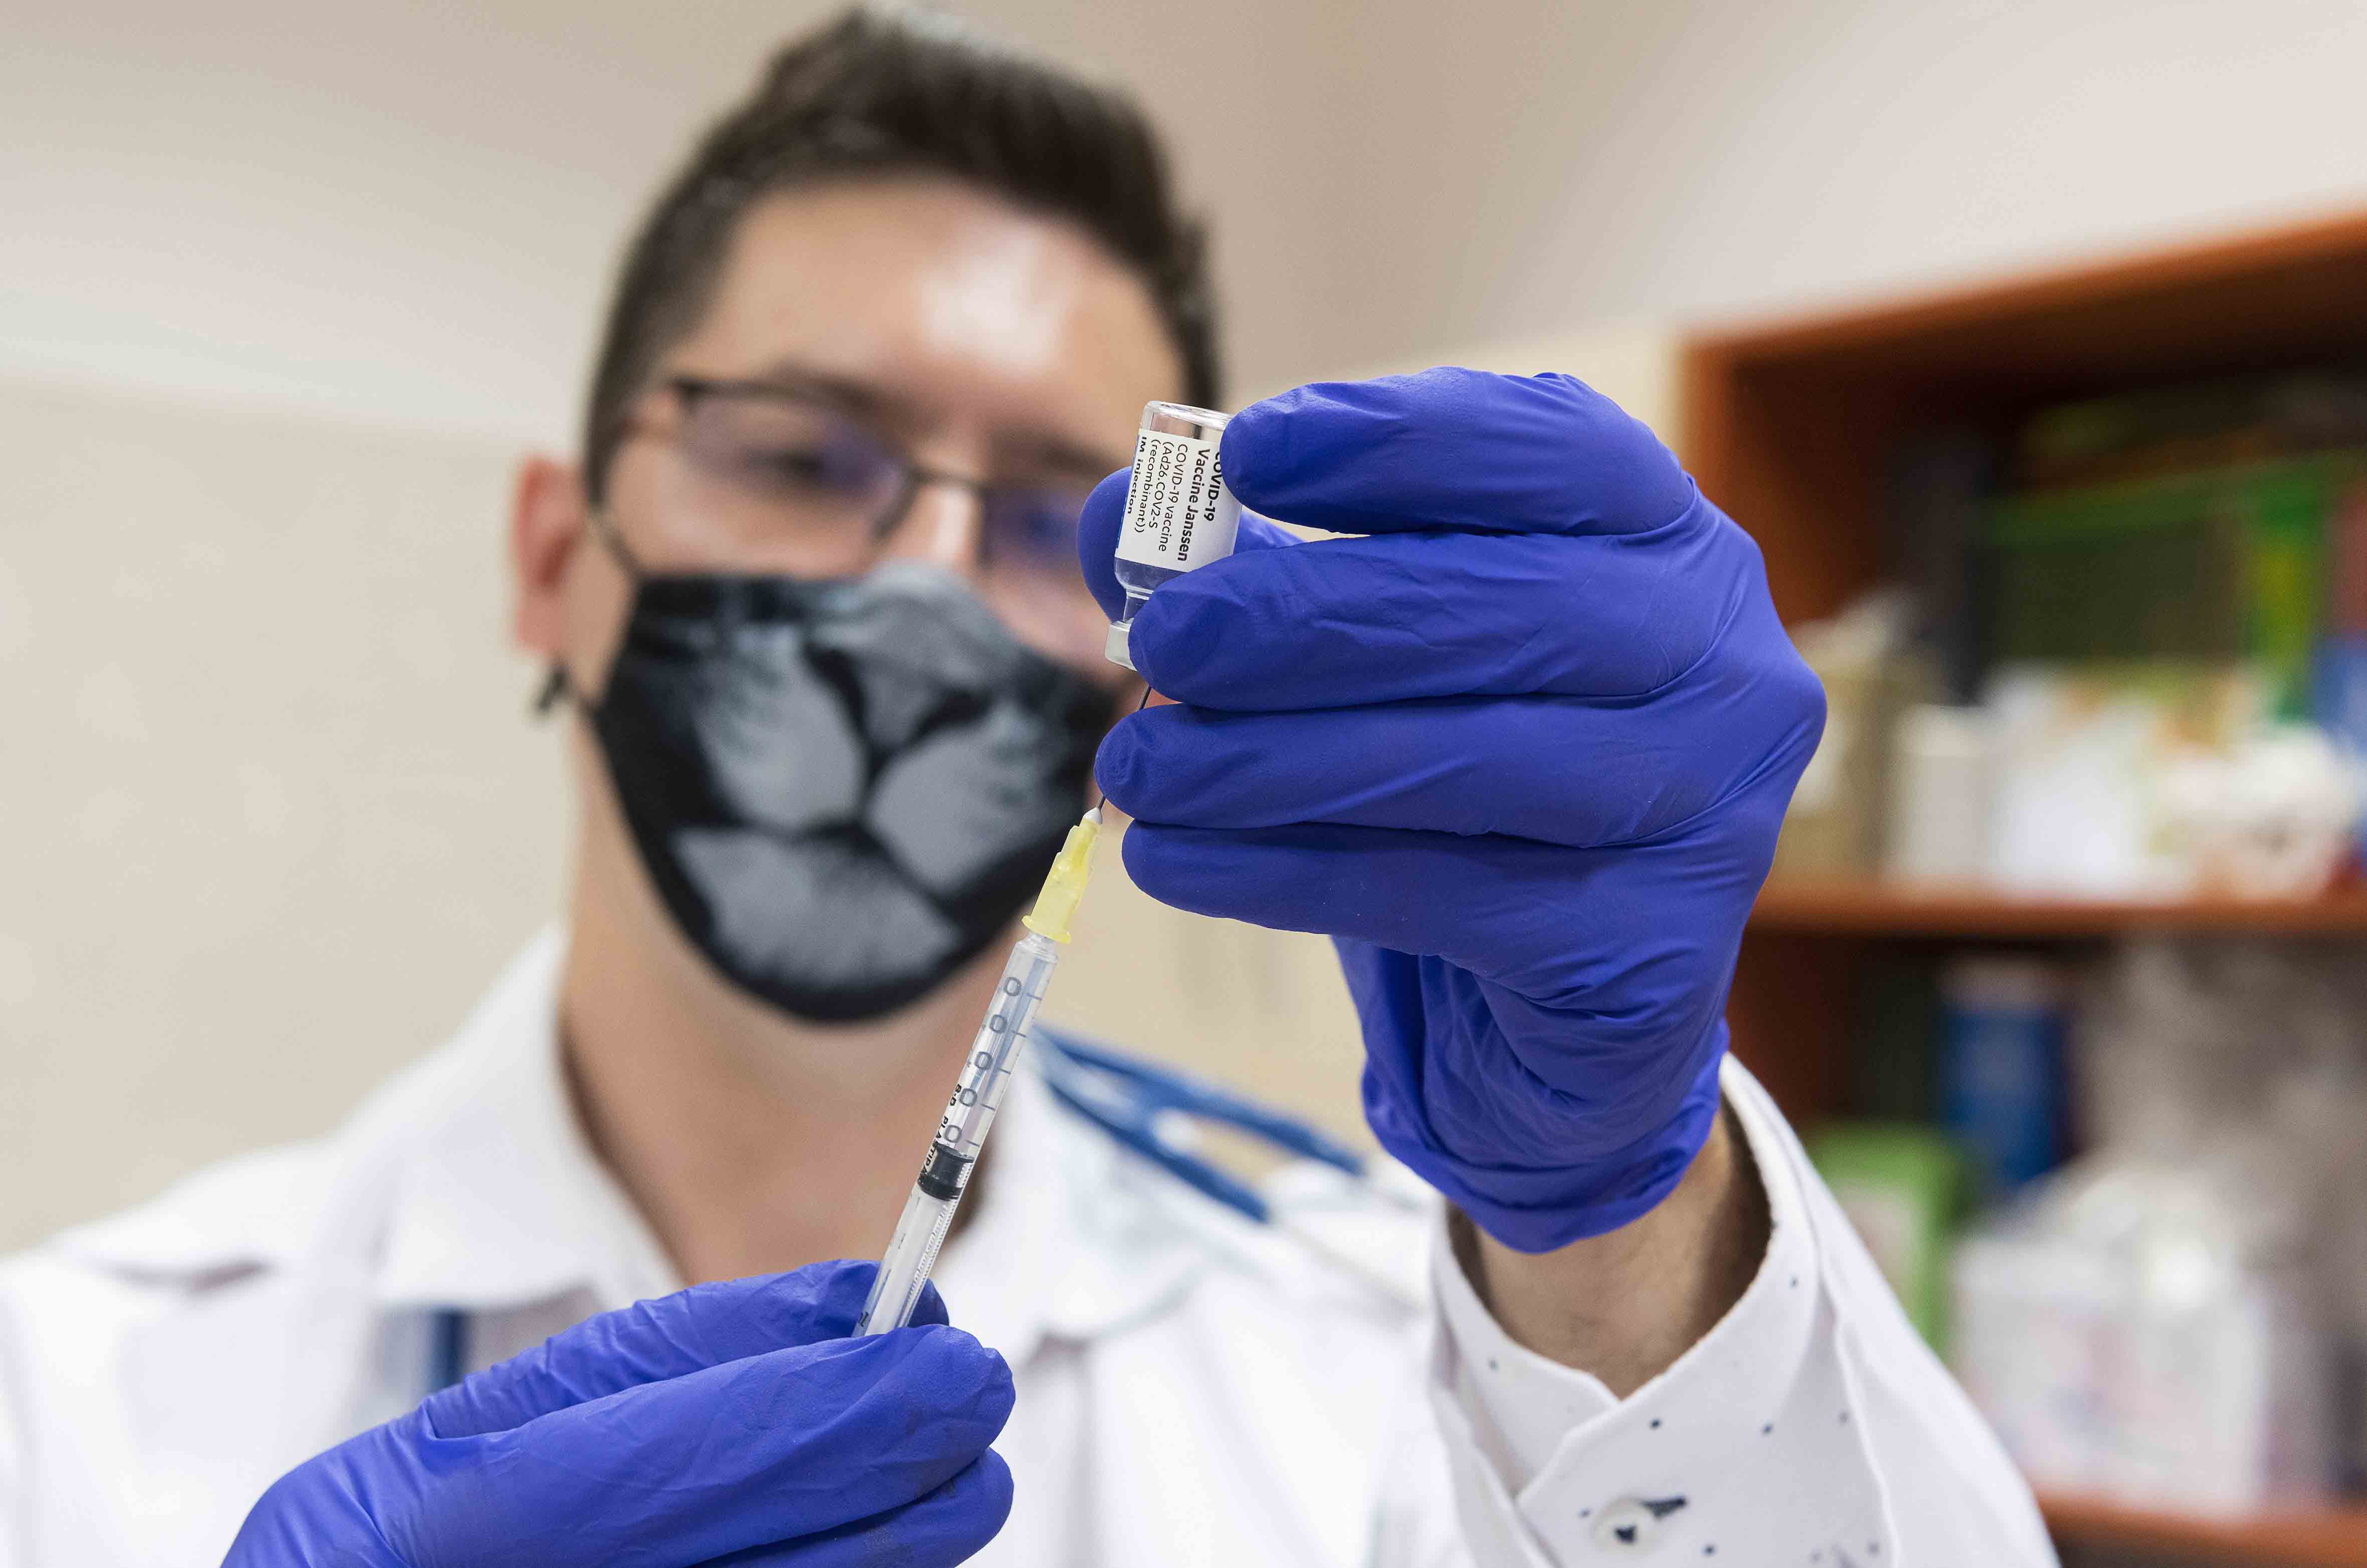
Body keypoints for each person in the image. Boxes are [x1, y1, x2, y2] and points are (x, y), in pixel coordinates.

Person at [0, 11, 2054, 1567]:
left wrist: (1624, 1232)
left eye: (1045, 517)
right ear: (554, 557)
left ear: (1154, 638)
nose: (913, 597)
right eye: (798, 456)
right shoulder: (76, 1405)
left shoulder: (1385, 1361)